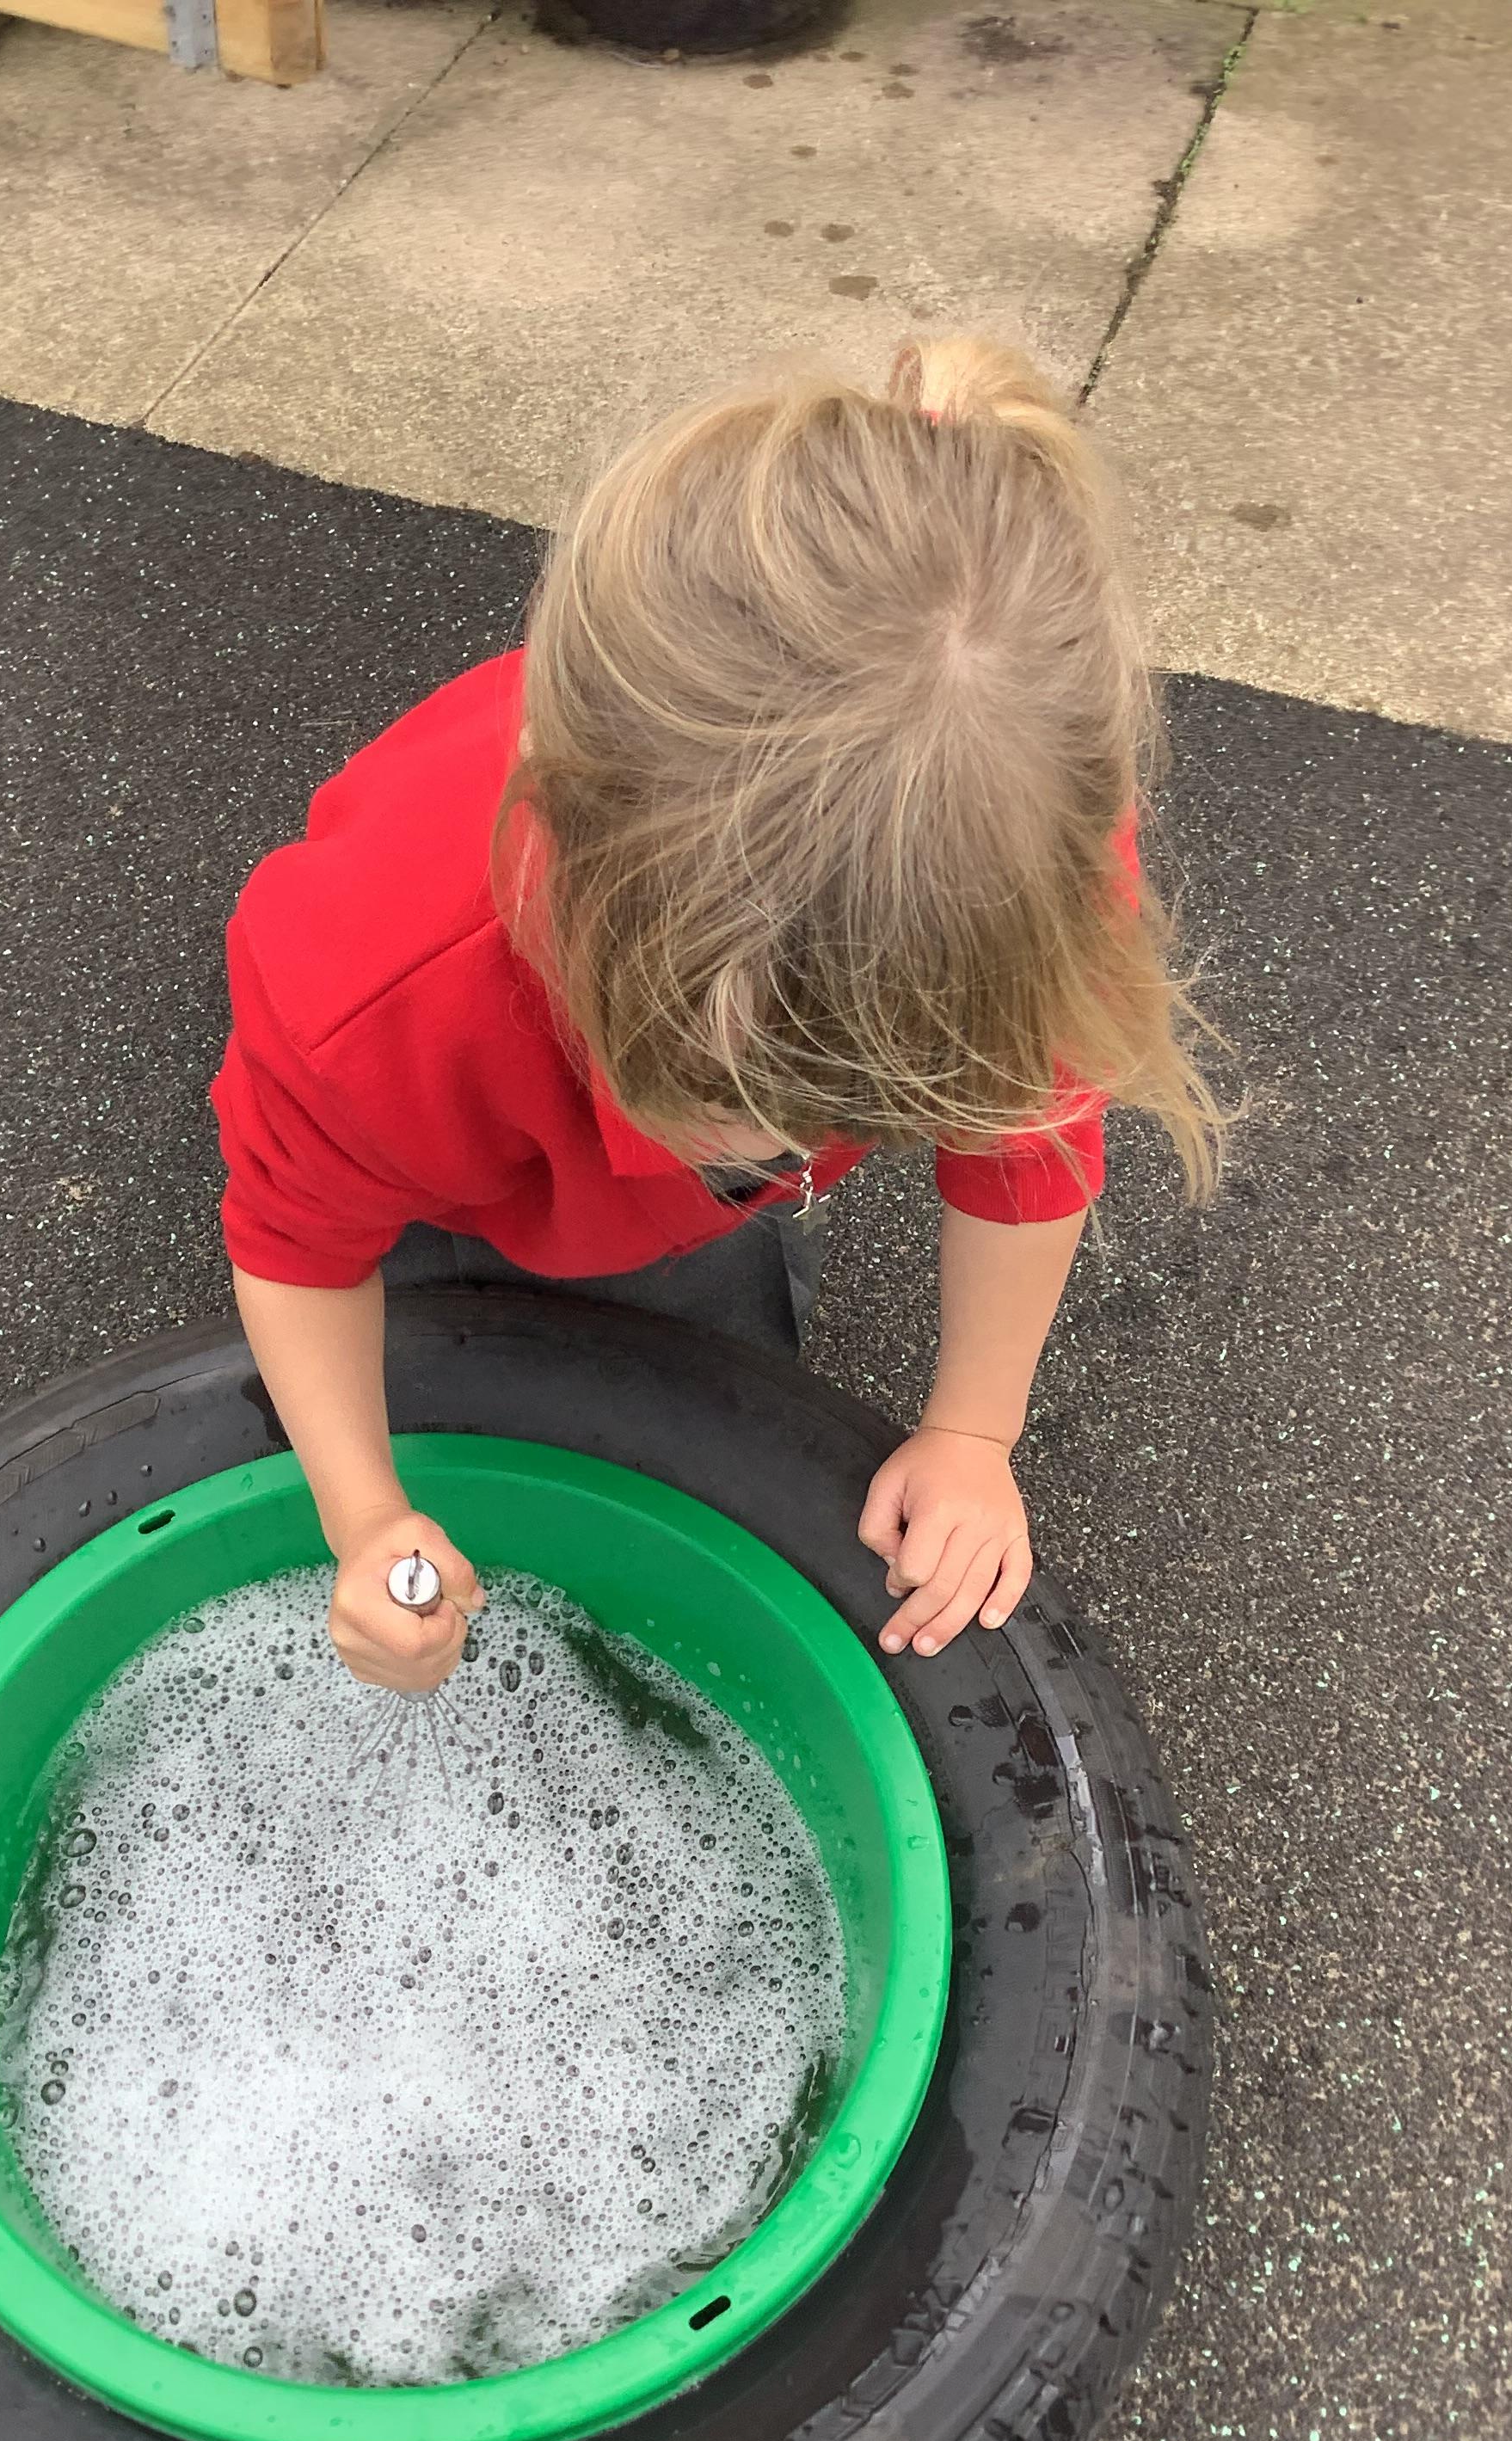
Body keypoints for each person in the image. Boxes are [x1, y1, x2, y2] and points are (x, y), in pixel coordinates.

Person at [212, 336, 1224, 1694]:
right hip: (448, 1099)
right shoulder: (372, 1000)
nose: (784, 1153)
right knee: (426, 1337)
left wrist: (975, 1431)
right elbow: (295, 1249)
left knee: (690, 1364)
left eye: (843, 1109)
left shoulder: (1014, 858)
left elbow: (1030, 1139)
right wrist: (365, 1517)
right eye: (723, 1095)